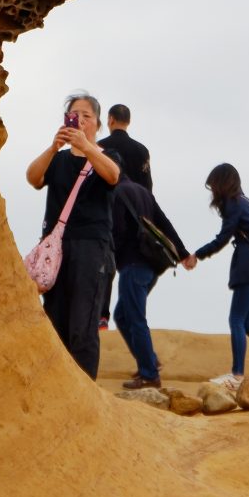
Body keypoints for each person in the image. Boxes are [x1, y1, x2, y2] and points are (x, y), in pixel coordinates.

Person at [26, 92, 121, 379]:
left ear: (98, 124)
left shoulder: (106, 157)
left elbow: (113, 175)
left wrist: (87, 147)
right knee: (55, 319)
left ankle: (85, 389)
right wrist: (54, 147)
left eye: (87, 116)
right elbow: (33, 178)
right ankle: (59, 383)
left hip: (92, 247)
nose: (80, 120)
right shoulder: (58, 160)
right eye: (74, 115)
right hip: (57, 249)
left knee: (84, 321)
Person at [182, 163, 249, 390]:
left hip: (248, 266)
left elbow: (222, 238)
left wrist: (196, 255)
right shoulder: (248, 202)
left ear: (221, 184)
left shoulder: (233, 204)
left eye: (213, 186)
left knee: (237, 320)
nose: (212, 192)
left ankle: (237, 375)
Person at [113, 174, 191, 390]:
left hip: (133, 264)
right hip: (152, 266)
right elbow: (164, 222)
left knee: (135, 318)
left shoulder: (117, 192)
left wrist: (109, 257)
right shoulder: (143, 191)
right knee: (122, 315)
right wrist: (182, 253)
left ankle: (149, 375)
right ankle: (149, 359)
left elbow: (117, 232)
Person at [97, 104, 152, 329]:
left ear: (110, 120)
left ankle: (102, 315)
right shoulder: (141, 150)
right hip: (136, 218)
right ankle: (134, 317)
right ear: (128, 121)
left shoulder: (100, 148)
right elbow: (148, 188)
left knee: (106, 265)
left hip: (107, 212)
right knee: (132, 266)